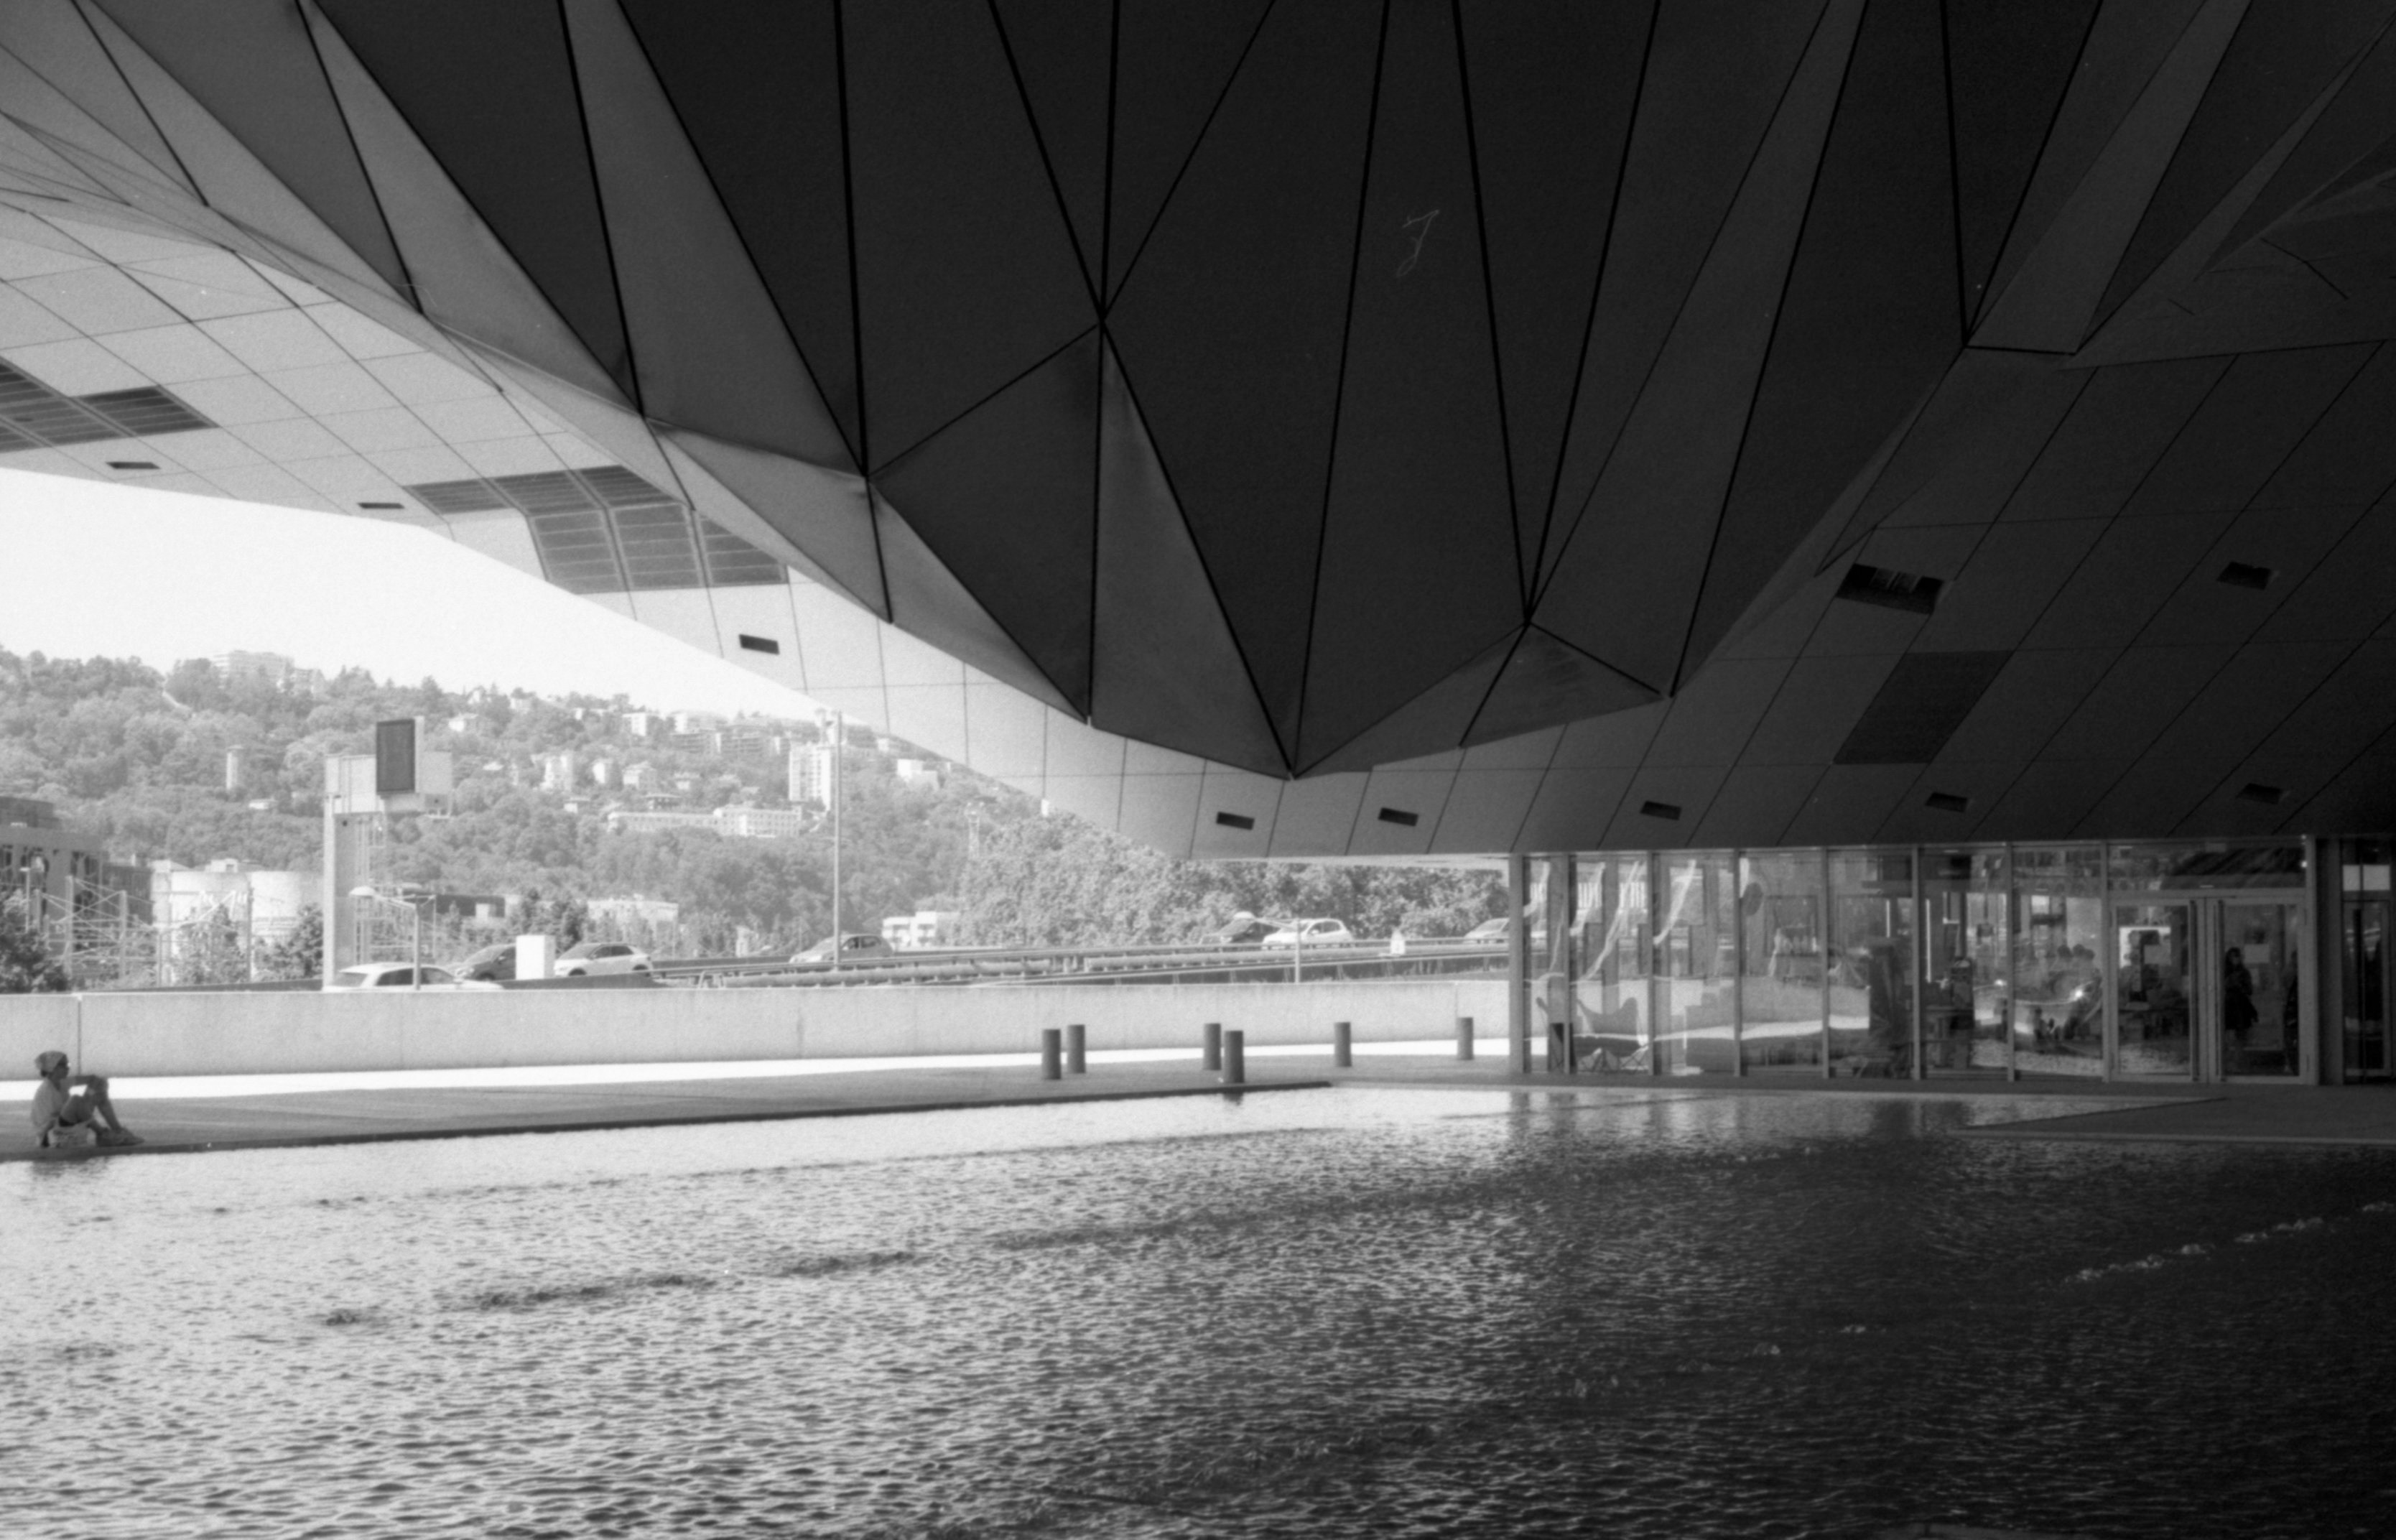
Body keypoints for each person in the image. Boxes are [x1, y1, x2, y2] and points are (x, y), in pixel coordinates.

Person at [29, 1050, 141, 1149]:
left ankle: (118, 1131)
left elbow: (94, 1079)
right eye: (64, 1065)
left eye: (68, 1064)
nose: (68, 1068)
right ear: (52, 1068)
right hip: (51, 1135)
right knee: (76, 1100)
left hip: (67, 1124)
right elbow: (49, 1123)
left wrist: (95, 1089)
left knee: (100, 1093)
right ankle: (102, 1134)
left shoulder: (63, 1082)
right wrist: (83, 1104)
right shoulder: (46, 1091)